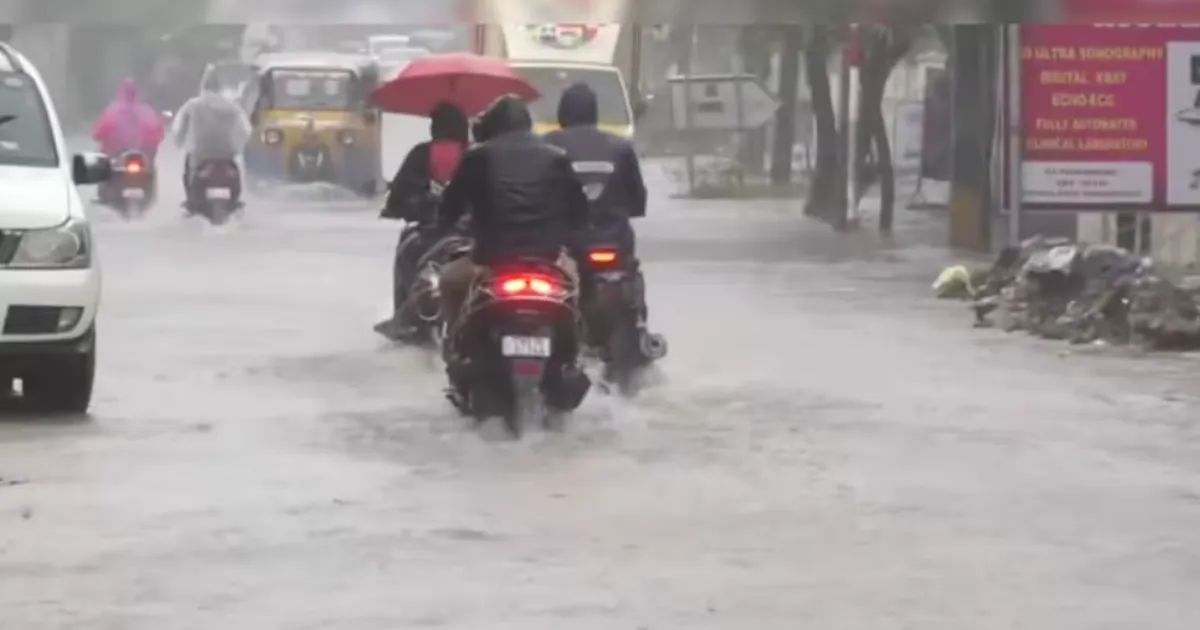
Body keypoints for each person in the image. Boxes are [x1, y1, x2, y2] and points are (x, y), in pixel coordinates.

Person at [437, 95, 589, 342]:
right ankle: (574, 353)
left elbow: (449, 207)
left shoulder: (477, 156)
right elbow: (579, 212)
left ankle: (455, 345)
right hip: (547, 260)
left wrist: (449, 225)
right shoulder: (556, 157)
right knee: (573, 293)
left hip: (491, 259)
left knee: (449, 281)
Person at [543, 82, 650, 319]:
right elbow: (638, 202)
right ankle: (638, 321)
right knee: (631, 273)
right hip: (614, 240)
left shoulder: (547, 145)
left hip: (567, 243)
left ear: (562, 114)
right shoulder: (620, 147)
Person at [375, 102, 470, 340]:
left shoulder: (421, 154)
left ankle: (403, 318)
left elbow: (399, 196)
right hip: (472, 233)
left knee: (406, 251)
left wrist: (400, 208)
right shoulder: (477, 153)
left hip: (432, 232)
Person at [172, 74, 252, 210]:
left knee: (188, 170)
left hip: (200, 154)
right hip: (227, 154)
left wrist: (179, 142)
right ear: (219, 88)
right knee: (235, 171)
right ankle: (236, 201)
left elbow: (180, 127)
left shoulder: (193, 104)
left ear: (203, 87)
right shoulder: (232, 106)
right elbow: (246, 130)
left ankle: (191, 202)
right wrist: (238, 147)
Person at [92, 78, 166, 203]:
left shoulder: (113, 110)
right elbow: (158, 133)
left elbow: (98, 133)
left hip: (118, 155)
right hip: (141, 154)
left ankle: (102, 192)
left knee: (103, 160)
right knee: (150, 165)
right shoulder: (145, 111)